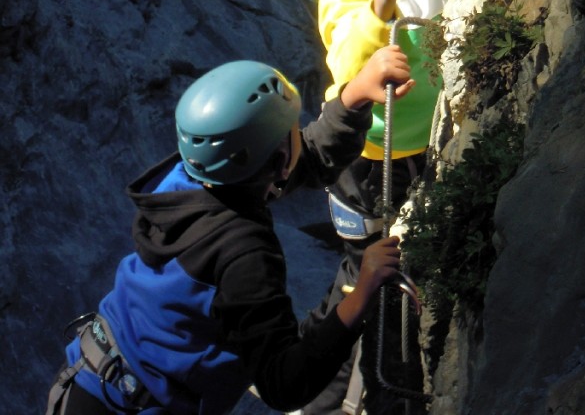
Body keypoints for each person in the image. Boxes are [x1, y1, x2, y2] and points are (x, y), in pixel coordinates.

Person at [45, 46, 415, 415]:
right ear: (275, 160)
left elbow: (299, 161)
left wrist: (352, 98)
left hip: (87, 381)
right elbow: (282, 383)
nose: (298, 135)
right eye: (291, 131)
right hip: (135, 405)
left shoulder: (187, 182)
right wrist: (361, 293)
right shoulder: (243, 253)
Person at [299, 0, 469, 414]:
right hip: (374, 160)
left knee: (396, 273)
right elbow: (349, 65)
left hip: (426, 140)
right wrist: (382, 2)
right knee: (373, 280)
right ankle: (330, 397)